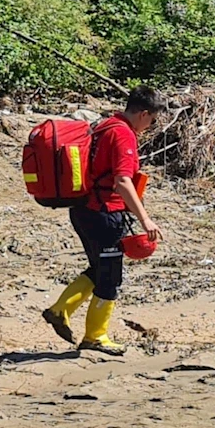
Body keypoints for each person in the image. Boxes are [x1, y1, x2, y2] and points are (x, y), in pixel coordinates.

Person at [42, 86, 166, 355]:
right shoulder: (123, 134)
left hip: (82, 210)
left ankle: (60, 310)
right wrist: (145, 219)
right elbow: (123, 181)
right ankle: (95, 337)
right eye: (153, 120)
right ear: (144, 114)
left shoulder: (104, 126)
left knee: (99, 269)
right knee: (110, 277)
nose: (150, 126)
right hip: (104, 213)